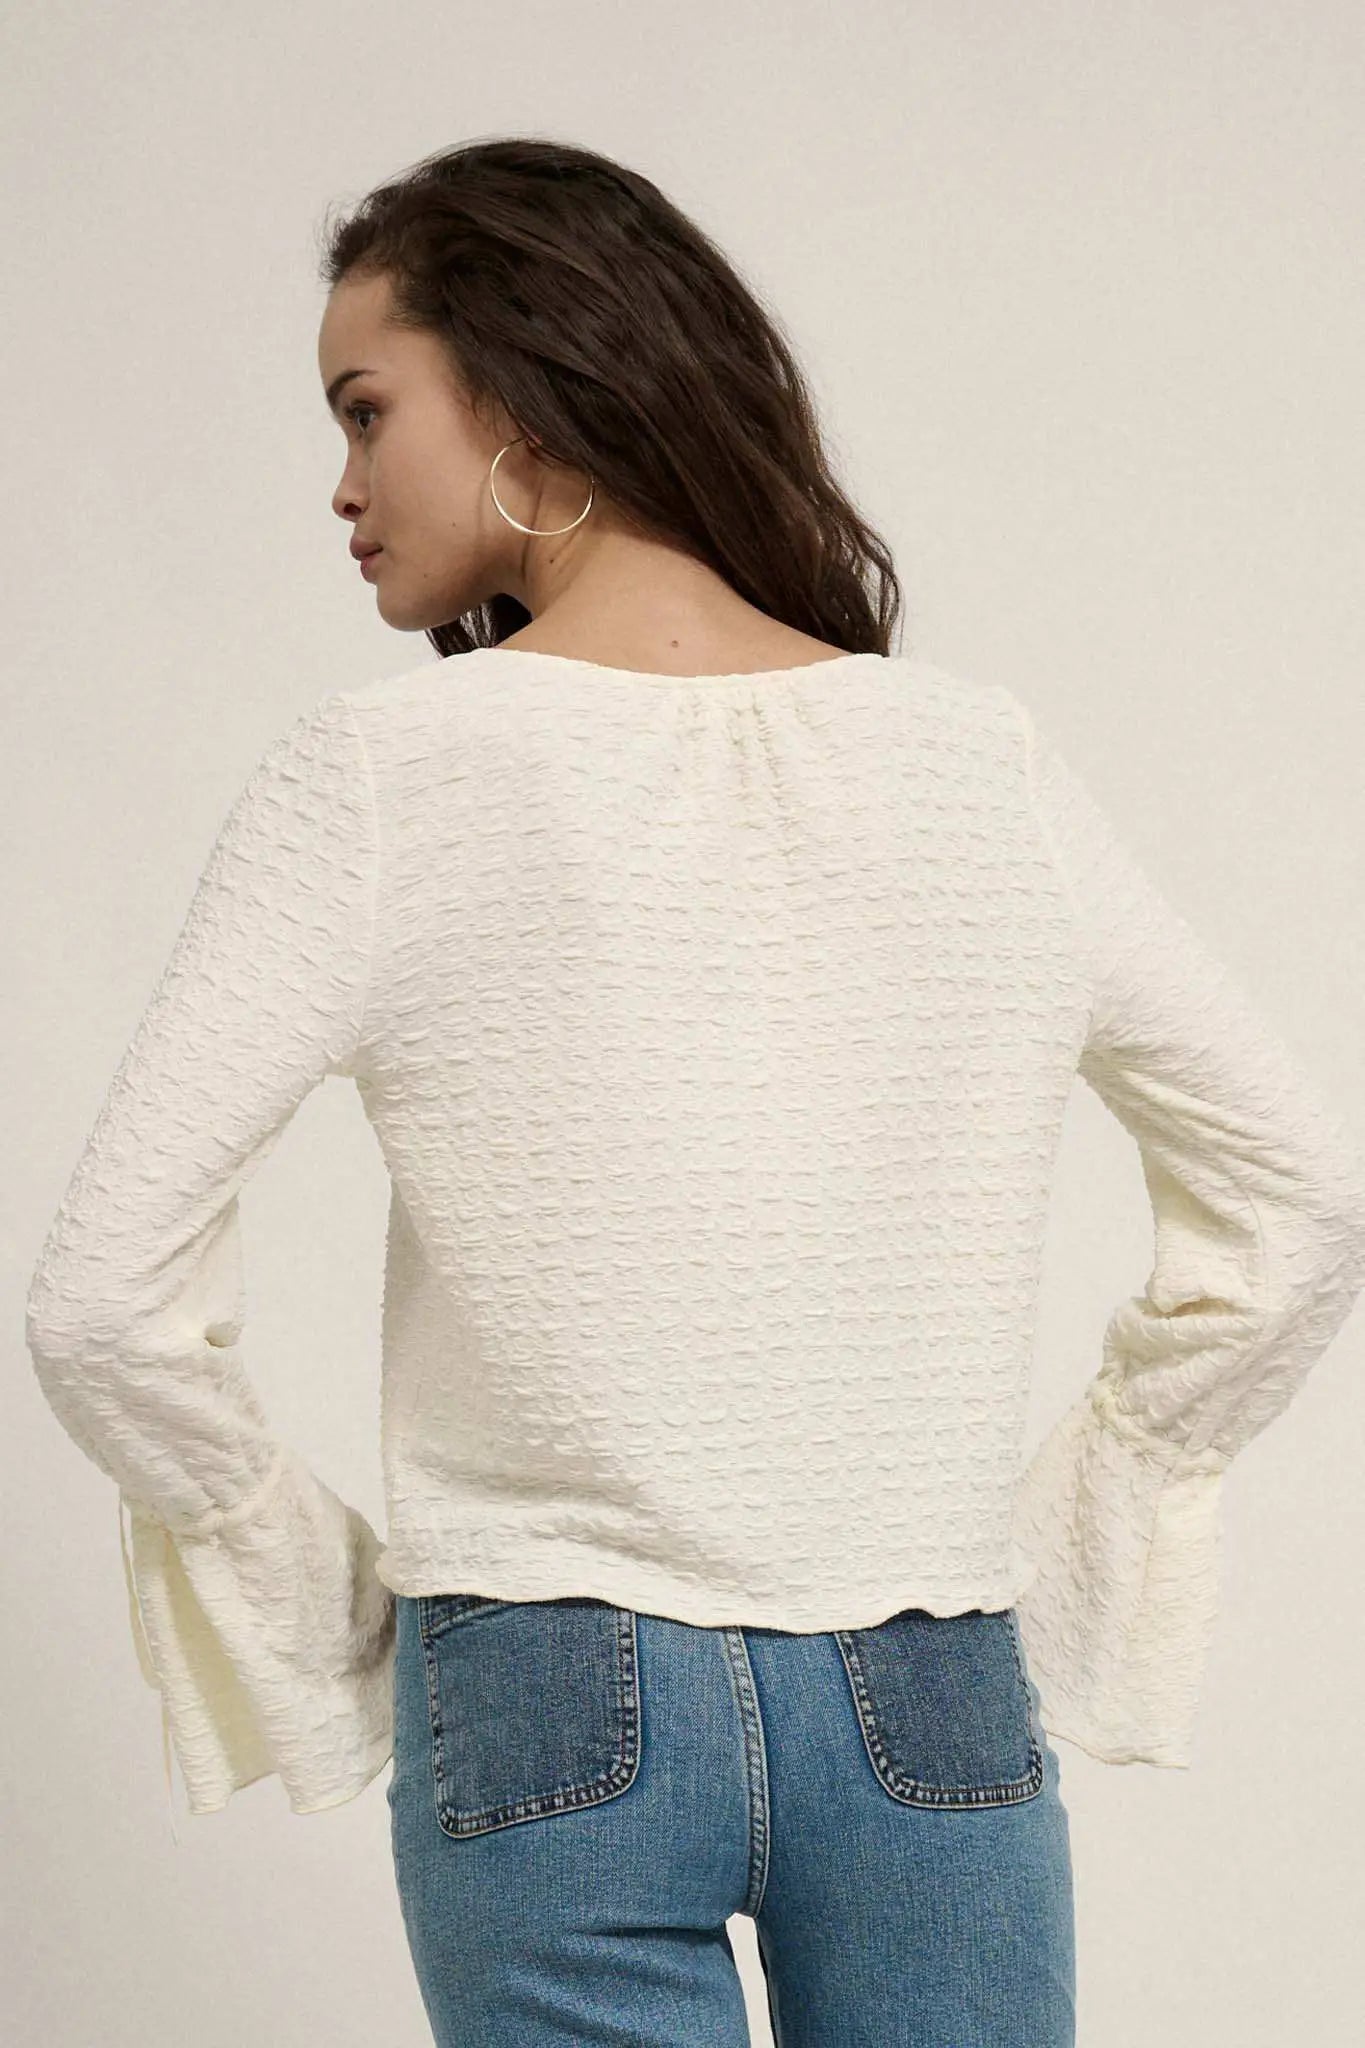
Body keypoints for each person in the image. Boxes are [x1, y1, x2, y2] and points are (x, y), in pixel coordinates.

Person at [25, 136, 1365, 2048]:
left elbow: (99, 1304)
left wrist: (326, 1609)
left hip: (540, 1687)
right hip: (931, 1681)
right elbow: (1300, 1198)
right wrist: (1095, 1509)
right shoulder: (977, 767)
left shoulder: (381, 784)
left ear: (521, 392)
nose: (340, 484)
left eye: (365, 409)